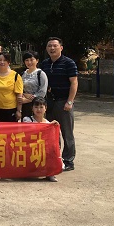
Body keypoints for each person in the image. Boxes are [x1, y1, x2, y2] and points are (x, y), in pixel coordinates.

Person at [39, 37, 78, 172]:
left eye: (55, 46)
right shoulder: (44, 64)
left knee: (67, 133)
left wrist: (70, 101)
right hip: (49, 102)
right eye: (49, 46)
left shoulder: (69, 63)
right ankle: (55, 158)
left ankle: (68, 161)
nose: (52, 48)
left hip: (63, 102)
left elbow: (74, 82)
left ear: (61, 47)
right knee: (52, 132)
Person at [23, 97, 60, 181]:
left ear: (45, 108)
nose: (38, 109)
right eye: (36, 107)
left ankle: (50, 173)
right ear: (32, 108)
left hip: (42, 147)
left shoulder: (48, 123)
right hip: (29, 146)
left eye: (41, 107)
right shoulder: (27, 120)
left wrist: (54, 126)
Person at [0, 51, 23, 122]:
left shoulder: (16, 76)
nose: (2, 62)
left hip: (10, 109)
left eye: (5, 60)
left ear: (9, 62)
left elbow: (19, 95)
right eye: (0, 60)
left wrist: (19, 111)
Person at [19, 50, 48, 118]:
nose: (29, 62)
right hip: (25, 106)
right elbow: (19, 88)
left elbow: (42, 92)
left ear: (37, 60)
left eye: (32, 60)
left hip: (37, 106)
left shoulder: (41, 74)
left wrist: (27, 100)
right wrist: (24, 95)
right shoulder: (22, 74)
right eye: (27, 60)